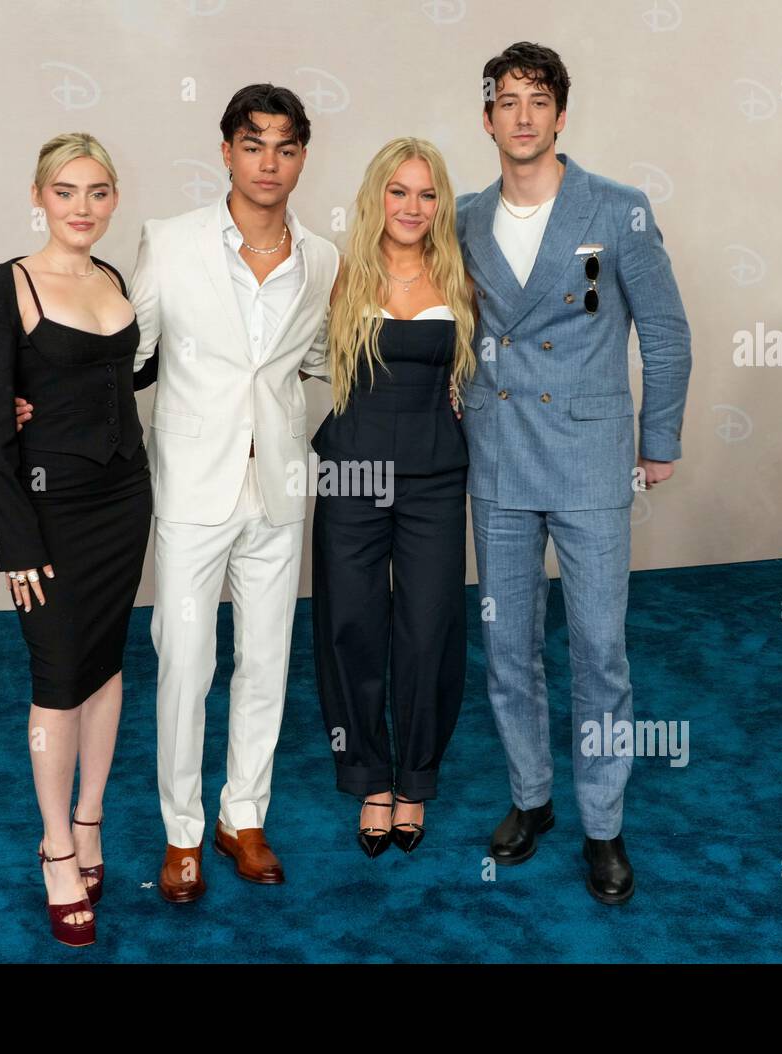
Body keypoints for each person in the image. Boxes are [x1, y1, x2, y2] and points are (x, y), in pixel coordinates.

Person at [15, 86, 337, 903]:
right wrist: (38, 403)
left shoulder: (326, 258)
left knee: (266, 662)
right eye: (253, 143)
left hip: (279, 489)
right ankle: (183, 832)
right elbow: (123, 354)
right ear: (226, 149)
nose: (270, 162)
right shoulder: (172, 241)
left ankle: (245, 817)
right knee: (188, 665)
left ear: (303, 156)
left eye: (287, 146)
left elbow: (326, 358)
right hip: (191, 488)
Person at [455, 42, 691, 904]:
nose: (522, 114)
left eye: (538, 99)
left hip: (592, 459)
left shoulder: (619, 209)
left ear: (561, 114)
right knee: (508, 647)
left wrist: (657, 438)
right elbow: (448, 328)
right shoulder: (465, 218)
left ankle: (603, 822)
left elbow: (664, 330)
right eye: (506, 100)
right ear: (487, 119)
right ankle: (531, 798)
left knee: (599, 649)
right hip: (500, 459)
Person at [0, 132, 156, 946]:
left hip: (123, 497)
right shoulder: (2, 288)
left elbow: (125, 370)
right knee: (57, 675)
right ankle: (53, 849)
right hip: (48, 511)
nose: (83, 207)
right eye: (68, 191)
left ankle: (90, 821)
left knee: (105, 664)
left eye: (99, 192)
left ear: (114, 199)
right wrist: (15, 542)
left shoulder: (113, 277)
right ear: (40, 196)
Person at [310, 138, 476, 857]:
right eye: (399, 191)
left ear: (441, 204)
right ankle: (368, 777)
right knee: (349, 622)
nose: (412, 207)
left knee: (428, 627)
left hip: (437, 474)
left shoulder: (462, 278)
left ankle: (414, 779)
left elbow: (507, 364)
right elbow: (277, 355)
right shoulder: (340, 273)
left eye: (427, 193)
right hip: (352, 469)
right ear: (377, 196)